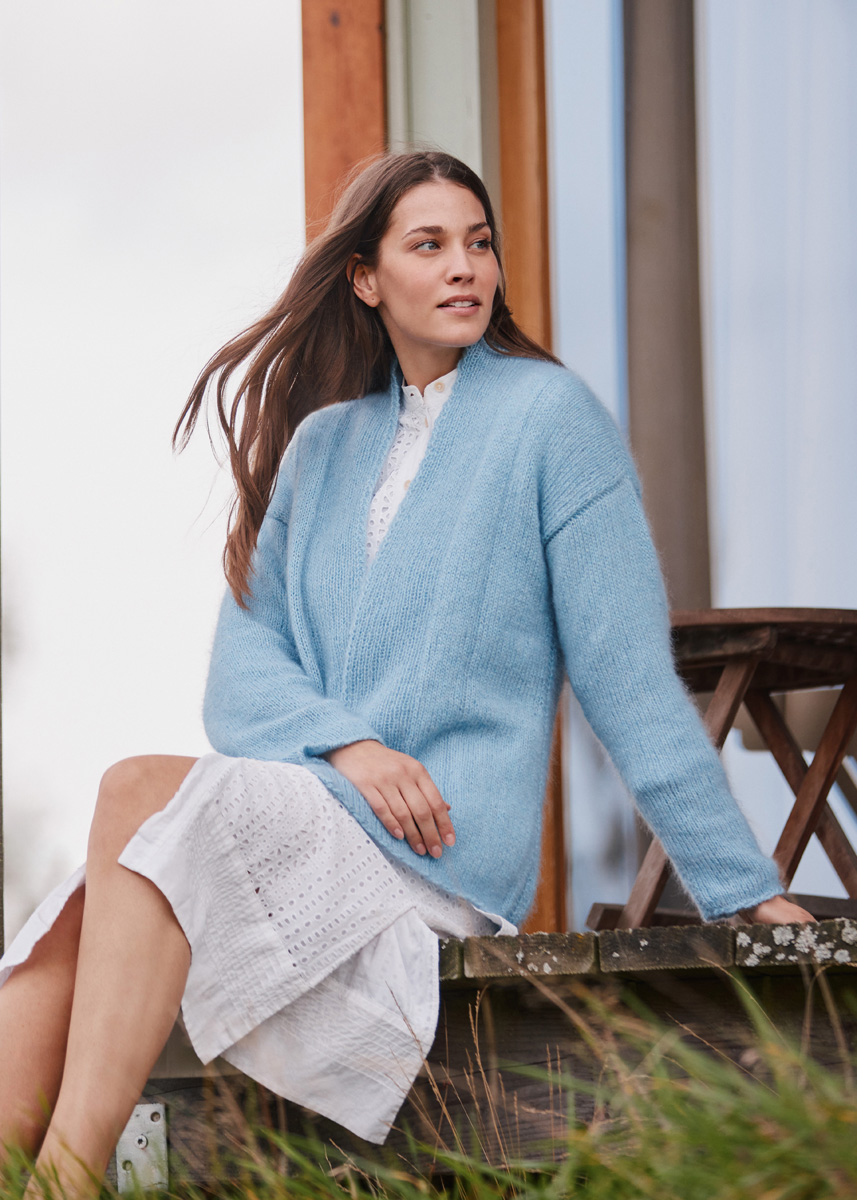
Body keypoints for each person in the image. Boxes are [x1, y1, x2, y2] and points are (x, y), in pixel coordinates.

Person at [0, 150, 812, 1198]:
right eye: (428, 245)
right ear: (366, 278)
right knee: (80, 907)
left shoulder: (549, 421)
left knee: (134, 796)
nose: (463, 266)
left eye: (478, 243)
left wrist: (746, 890)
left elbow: (630, 686)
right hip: (316, 812)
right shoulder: (320, 447)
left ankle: (66, 1185)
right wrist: (352, 745)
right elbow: (240, 679)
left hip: (436, 862)